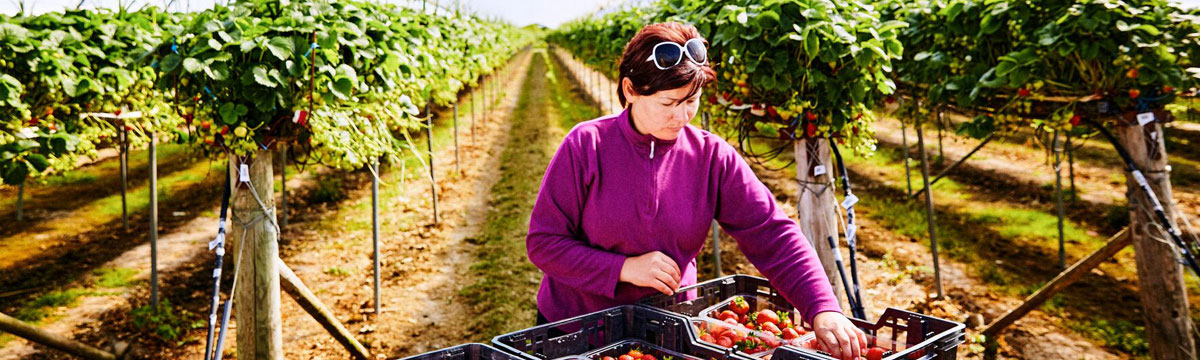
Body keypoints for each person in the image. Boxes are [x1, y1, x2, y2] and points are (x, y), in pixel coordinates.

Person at [526, 22, 868, 360]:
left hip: (667, 327)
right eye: (668, 103)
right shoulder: (587, 145)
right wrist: (623, 269)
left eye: (692, 101)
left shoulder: (711, 157)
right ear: (630, 90)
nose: (682, 116)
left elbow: (772, 232)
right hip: (577, 330)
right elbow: (544, 243)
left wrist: (823, 307)